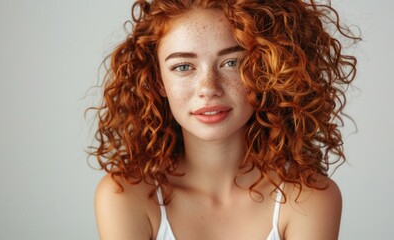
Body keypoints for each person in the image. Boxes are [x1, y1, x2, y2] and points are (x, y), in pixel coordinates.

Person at [90, 0, 360, 239]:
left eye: (232, 62)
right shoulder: (125, 197)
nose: (208, 87)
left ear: (266, 69)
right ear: (158, 81)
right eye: (183, 67)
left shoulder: (309, 199)